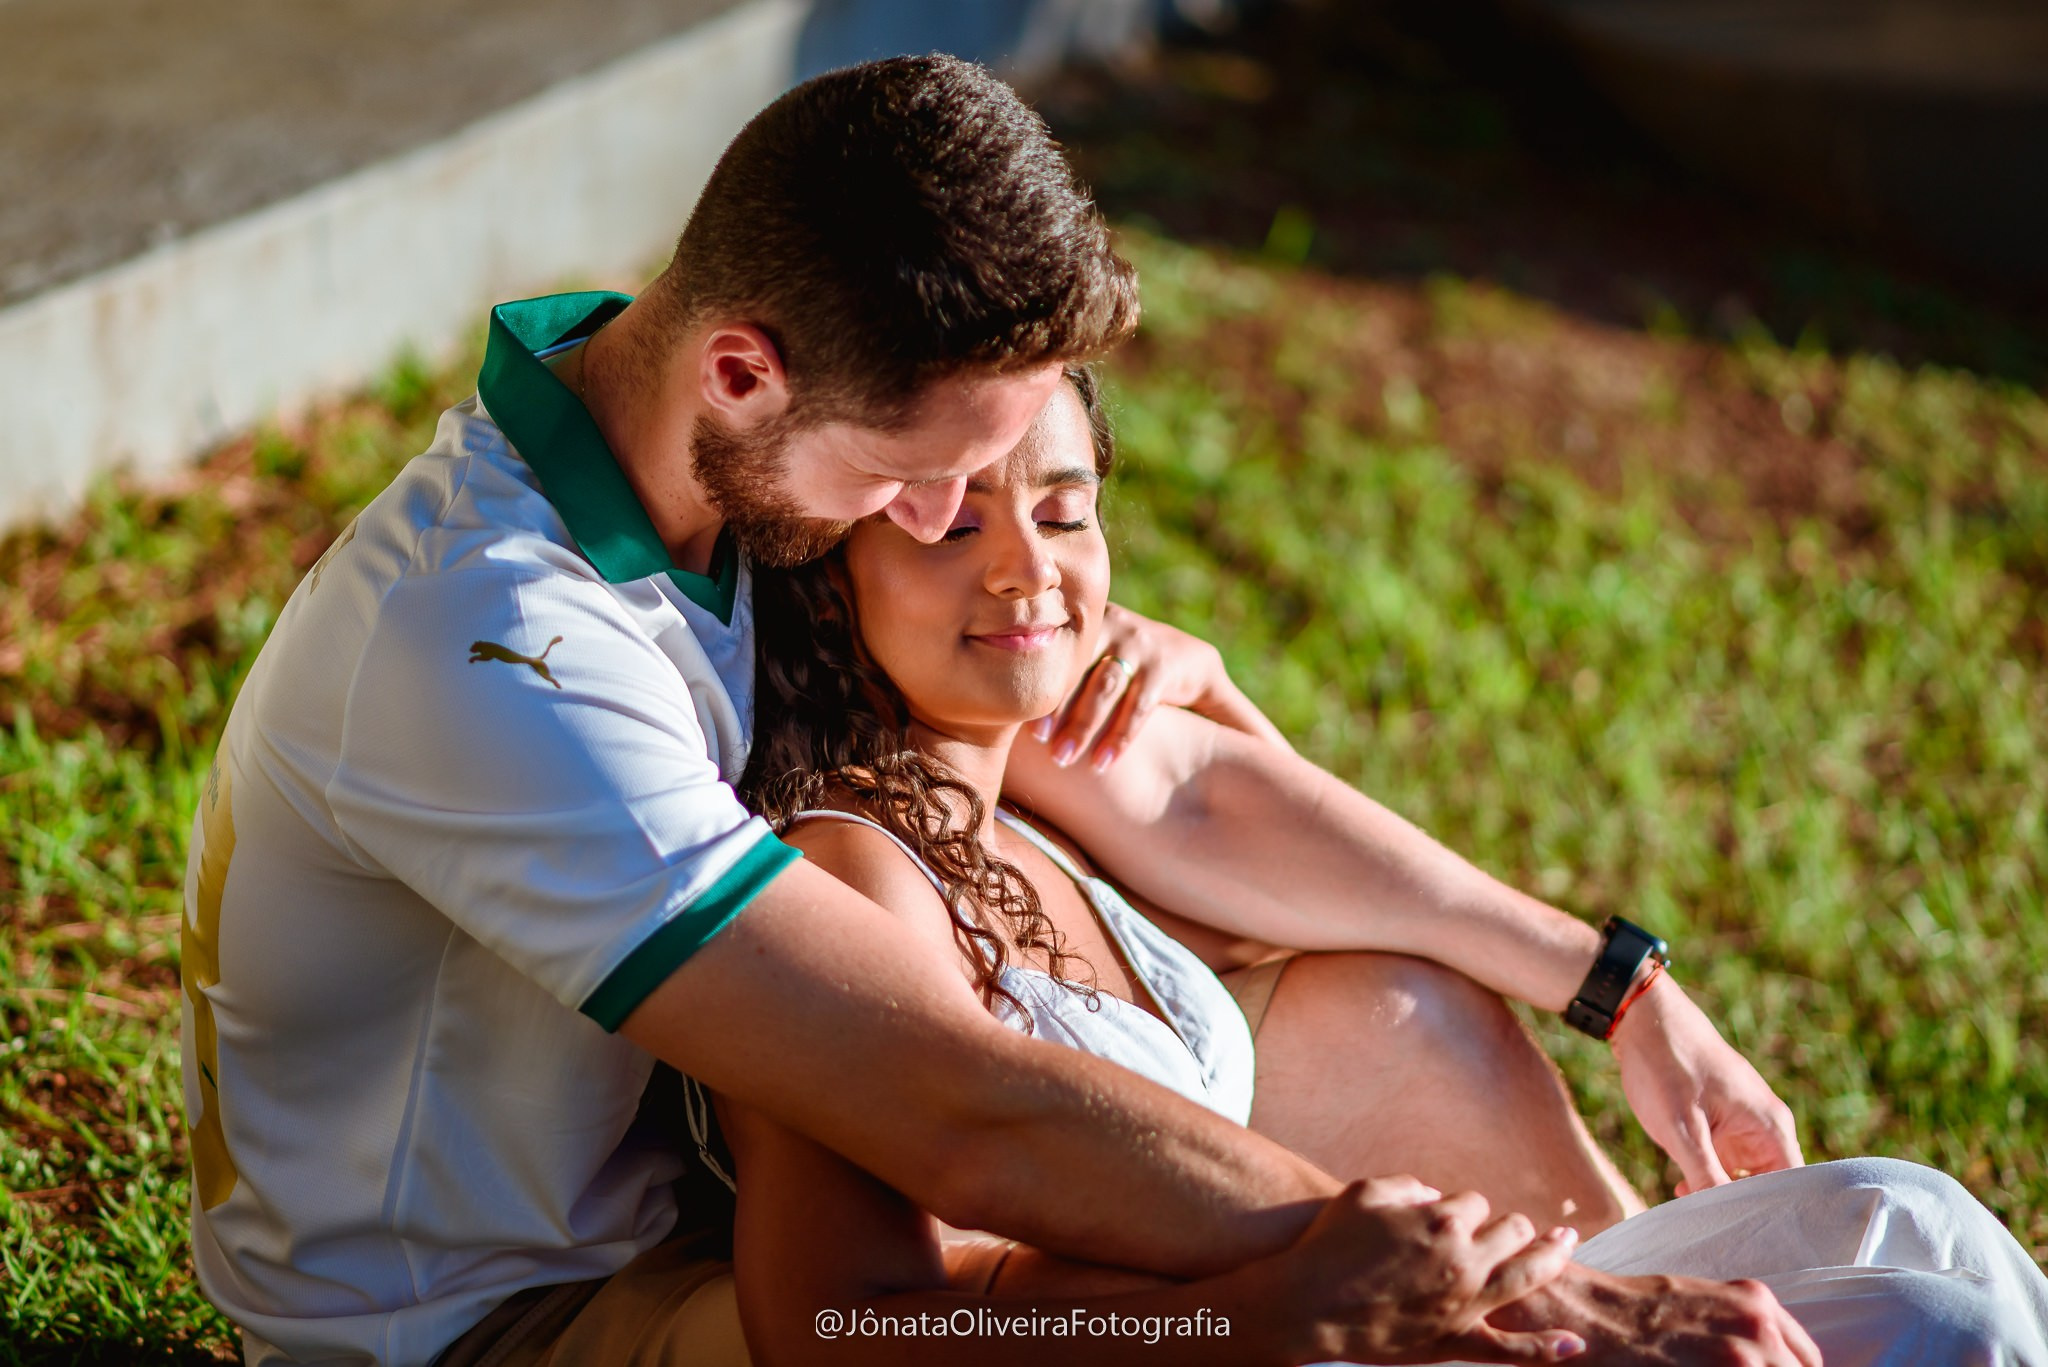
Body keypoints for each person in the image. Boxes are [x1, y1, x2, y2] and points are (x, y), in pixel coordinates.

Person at [184, 54, 1823, 1366]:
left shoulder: (736, 490)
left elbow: (1159, 784)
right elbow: (953, 1107)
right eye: (932, 483)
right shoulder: (497, 642)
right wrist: (1480, 1298)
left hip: (737, 1178)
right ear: (744, 374)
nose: (968, 525)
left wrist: (1615, 989)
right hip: (504, 1318)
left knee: (1387, 1029)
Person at [723, 367, 2048, 1366]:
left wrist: (1637, 999)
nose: (1031, 569)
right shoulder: (852, 871)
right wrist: (1251, 1316)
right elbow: (844, 1322)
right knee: (1925, 1322)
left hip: (1365, 1314)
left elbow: (1262, 843)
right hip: (1286, 1343)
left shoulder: (1047, 805)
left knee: (1909, 1213)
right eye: (953, 528)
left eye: (1067, 514)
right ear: (828, 570)